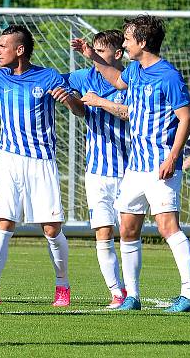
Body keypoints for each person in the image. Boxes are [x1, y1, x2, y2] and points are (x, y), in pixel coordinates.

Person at [72, 14, 190, 312]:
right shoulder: (134, 71)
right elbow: (116, 79)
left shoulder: (168, 76)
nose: (125, 43)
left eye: (128, 38)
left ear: (142, 42)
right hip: (135, 167)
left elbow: (185, 119)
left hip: (160, 165)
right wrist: (91, 56)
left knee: (168, 227)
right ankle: (132, 296)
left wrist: (172, 157)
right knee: (128, 229)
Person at [0, 25, 80, 307]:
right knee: (3, 224)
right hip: (9, 160)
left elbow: (80, 110)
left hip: (41, 161)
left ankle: (62, 285)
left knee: (52, 229)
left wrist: (69, 100)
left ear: (19, 50)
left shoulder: (49, 76)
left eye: (2, 46)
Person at [51, 30, 130, 309]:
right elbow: (55, 81)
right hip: (96, 171)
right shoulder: (85, 77)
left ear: (117, 54)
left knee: (129, 234)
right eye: (92, 50)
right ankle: (117, 292)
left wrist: (100, 102)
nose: (93, 55)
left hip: (130, 171)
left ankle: (132, 291)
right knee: (103, 232)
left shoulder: (131, 79)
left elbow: (131, 113)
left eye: (100, 51)